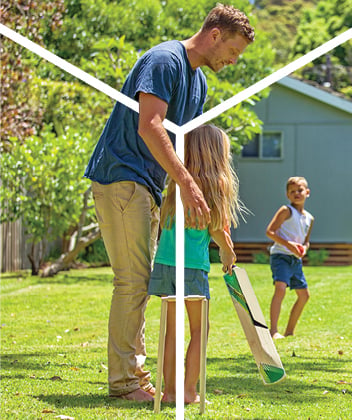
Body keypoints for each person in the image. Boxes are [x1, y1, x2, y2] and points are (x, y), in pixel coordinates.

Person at [84, 4, 254, 401]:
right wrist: (188, 184)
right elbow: (150, 125)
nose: (233, 61)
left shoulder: (198, 84)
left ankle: (142, 379)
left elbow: (188, 144)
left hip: (148, 185)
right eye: (233, 51)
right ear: (215, 35)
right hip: (122, 176)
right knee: (133, 282)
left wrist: (213, 190)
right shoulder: (164, 60)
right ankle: (126, 382)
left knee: (139, 282)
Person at [148, 124, 240, 404]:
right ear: (217, 154)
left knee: (171, 331)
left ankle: (169, 392)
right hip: (192, 268)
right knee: (200, 330)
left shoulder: (176, 182)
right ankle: (189, 391)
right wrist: (227, 251)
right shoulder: (215, 184)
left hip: (165, 263)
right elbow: (215, 228)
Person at [266, 177, 314, 339]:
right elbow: (270, 232)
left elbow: (306, 241)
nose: (296, 194)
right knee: (280, 289)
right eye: (292, 191)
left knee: (304, 295)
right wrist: (290, 246)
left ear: (307, 193)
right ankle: (273, 331)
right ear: (287, 195)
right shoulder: (286, 211)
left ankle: (290, 332)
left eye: (300, 190)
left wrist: (304, 249)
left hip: (296, 260)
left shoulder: (309, 218)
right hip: (281, 256)